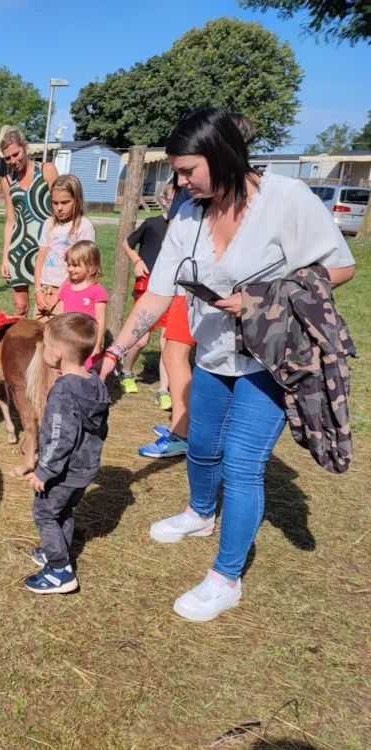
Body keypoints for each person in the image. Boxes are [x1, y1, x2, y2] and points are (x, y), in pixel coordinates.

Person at [98, 107, 355, 622]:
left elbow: (342, 266)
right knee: (199, 443)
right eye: (176, 170)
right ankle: (199, 511)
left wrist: (259, 298)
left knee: (241, 464)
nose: (180, 180)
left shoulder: (286, 200)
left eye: (188, 169)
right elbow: (159, 294)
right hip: (214, 355)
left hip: (272, 358)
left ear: (222, 156)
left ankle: (226, 578)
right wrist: (114, 351)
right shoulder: (188, 213)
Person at [141, 113, 260, 459]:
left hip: (210, 303)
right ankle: (187, 428)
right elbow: (159, 284)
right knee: (175, 351)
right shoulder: (193, 198)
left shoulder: (268, 201)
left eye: (188, 171)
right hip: (184, 287)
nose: (181, 181)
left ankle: (183, 429)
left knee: (177, 352)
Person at [23, 313, 110, 594]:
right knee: (64, 510)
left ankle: (59, 570)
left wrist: (44, 471)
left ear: (57, 354)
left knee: (45, 512)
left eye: (45, 344)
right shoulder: (95, 383)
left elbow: (59, 438)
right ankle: (56, 550)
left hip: (64, 471)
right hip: (84, 469)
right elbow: (101, 429)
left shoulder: (63, 392)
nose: (44, 349)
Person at [118, 184, 174, 407]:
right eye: (172, 199)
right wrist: (138, 261)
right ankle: (126, 371)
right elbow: (127, 243)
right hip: (148, 288)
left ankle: (163, 389)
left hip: (173, 289)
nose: (176, 204)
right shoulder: (152, 223)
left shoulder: (185, 227)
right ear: (163, 199)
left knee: (168, 342)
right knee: (140, 340)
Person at [0, 126, 58, 318]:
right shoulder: (7, 181)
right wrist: (5, 256)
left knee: (47, 306)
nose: (13, 161)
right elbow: (10, 221)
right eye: (8, 158)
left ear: (25, 147)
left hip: (46, 248)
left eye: (16, 154)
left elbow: (60, 208)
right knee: (20, 307)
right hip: (19, 249)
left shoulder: (47, 170)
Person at [34, 175, 96, 319]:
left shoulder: (84, 227)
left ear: (77, 200)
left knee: (61, 337)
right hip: (44, 290)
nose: (59, 208)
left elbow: (83, 267)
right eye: (55, 203)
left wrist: (57, 295)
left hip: (69, 291)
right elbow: (41, 258)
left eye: (65, 202)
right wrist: (38, 290)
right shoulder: (48, 224)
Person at [53, 241, 107, 369]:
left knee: (85, 373)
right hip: (67, 341)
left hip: (86, 342)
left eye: (76, 265)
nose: (70, 269)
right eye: (69, 265)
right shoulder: (66, 288)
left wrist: (97, 343)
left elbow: (100, 318)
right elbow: (60, 315)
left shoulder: (97, 290)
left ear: (91, 265)